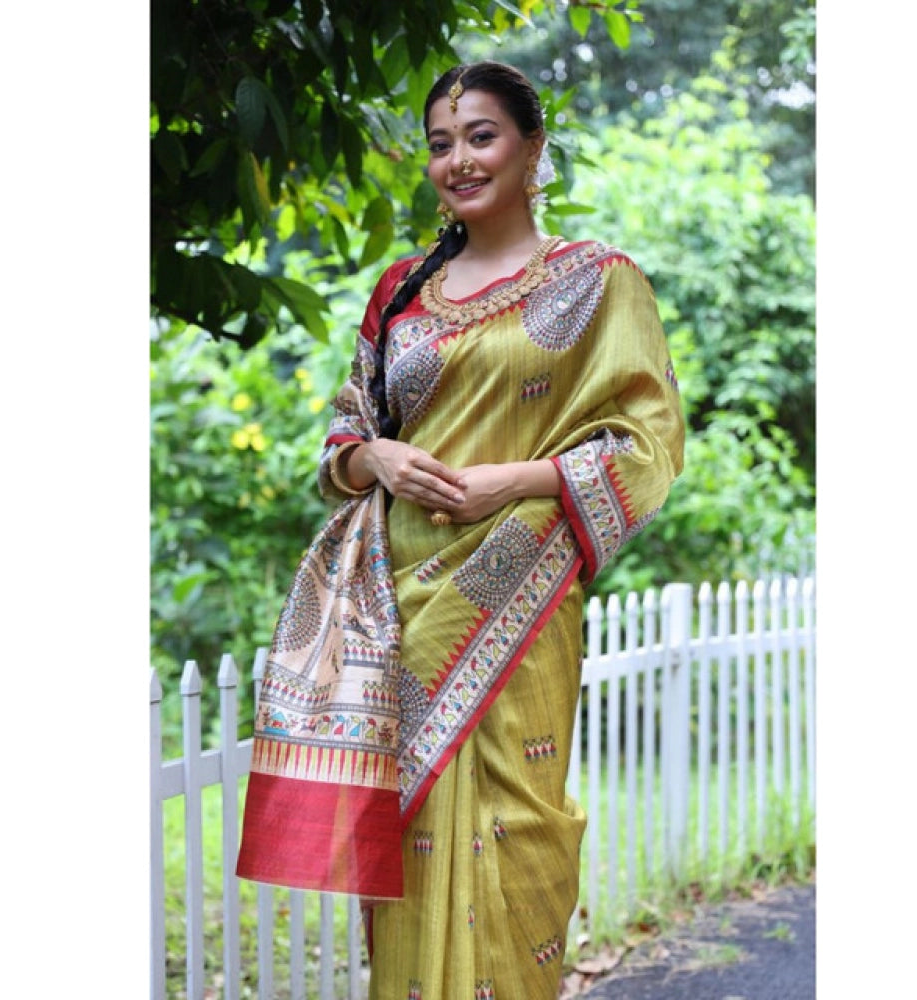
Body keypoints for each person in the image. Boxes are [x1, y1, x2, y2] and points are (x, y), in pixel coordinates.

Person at [237, 60, 685, 999]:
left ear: (531, 148)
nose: (459, 160)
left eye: (481, 136)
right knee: (413, 841)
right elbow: (341, 444)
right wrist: (379, 459)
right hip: (399, 604)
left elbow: (647, 444)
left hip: (519, 596)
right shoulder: (402, 290)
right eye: (442, 144)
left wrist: (511, 483)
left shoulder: (598, 281)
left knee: (521, 828)